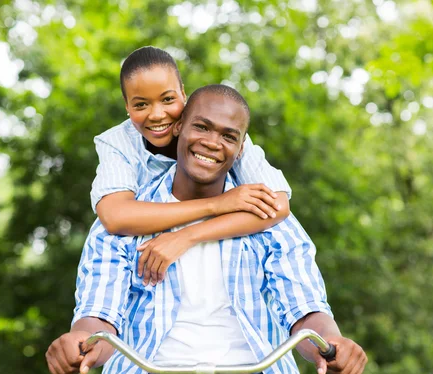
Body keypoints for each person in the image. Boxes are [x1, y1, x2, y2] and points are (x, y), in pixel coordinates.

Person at [46, 85, 367, 374]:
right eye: (202, 127)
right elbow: (100, 315)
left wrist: (332, 342)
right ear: (179, 127)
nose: (213, 143)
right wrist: (80, 341)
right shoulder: (125, 219)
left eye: (229, 136)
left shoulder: (268, 217)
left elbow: (305, 309)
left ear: (241, 149)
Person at [91, 46, 293, 285]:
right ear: (127, 107)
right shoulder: (117, 142)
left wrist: (187, 236)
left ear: (182, 94)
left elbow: (278, 205)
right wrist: (216, 205)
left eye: (168, 99)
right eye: (140, 105)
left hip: (221, 259)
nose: (157, 115)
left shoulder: (217, 133)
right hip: (146, 267)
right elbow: (115, 217)